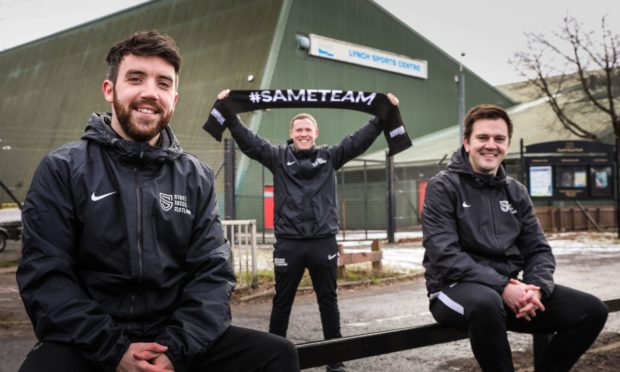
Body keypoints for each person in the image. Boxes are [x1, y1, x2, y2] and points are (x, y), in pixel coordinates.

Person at [16, 31, 299, 372]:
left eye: (163, 83)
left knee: (277, 354)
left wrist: (175, 350)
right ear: (110, 90)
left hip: (173, 341)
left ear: (174, 99)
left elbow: (213, 274)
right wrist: (114, 351)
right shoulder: (62, 168)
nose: (150, 92)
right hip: (91, 344)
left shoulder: (196, 177)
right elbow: (46, 276)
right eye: (136, 78)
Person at [216, 89, 399, 372]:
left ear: (315, 132)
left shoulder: (330, 157)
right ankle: (271, 360)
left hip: (323, 242)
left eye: (307, 129)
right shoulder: (277, 157)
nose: (303, 133)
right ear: (292, 133)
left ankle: (335, 361)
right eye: (298, 129)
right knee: (282, 303)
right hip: (289, 244)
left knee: (328, 301)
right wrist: (230, 112)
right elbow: (250, 143)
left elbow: (357, 142)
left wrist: (381, 116)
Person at [421, 103, 608, 372]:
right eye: (482, 138)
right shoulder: (443, 186)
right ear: (466, 142)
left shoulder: (515, 191)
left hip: (507, 293)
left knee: (592, 311)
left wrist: (535, 288)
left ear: (507, 144)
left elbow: (539, 250)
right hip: (453, 290)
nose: (491, 145)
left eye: (499, 139)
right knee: (487, 303)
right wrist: (503, 287)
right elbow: (445, 255)